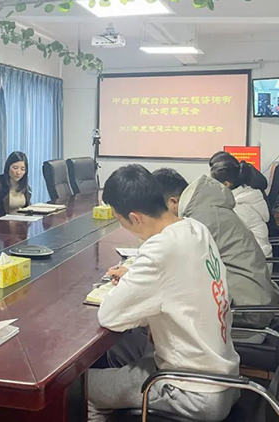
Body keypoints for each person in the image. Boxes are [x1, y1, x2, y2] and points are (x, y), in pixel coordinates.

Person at [88, 165, 239, 422]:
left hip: (191, 391)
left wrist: (135, 284)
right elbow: (180, 285)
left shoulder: (160, 249)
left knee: (81, 388)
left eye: (119, 219)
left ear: (135, 218)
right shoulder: (195, 228)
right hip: (224, 377)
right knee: (120, 351)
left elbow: (110, 316)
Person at [152, 168, 279, 329]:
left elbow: (179, 269)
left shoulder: (200, 218)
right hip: (250, 298)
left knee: (160, 316)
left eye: (159, 212)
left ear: (173, 202)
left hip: (247, 311)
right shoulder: (205, 206)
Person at [211, 159, 273, 258]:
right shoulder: (246, 195)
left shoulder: (239, 207)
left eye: (213, 183)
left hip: (255, 262)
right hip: (252, 256)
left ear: (226, 184)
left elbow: (225, 236)